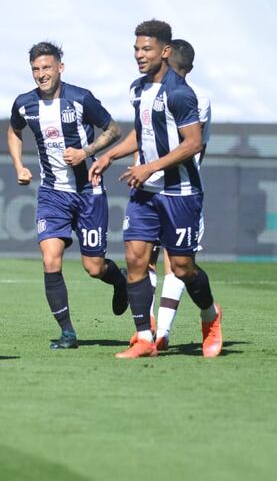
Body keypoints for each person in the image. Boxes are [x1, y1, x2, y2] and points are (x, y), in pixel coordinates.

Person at [90, 20, 223, 359]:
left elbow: (192, 143)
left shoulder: (180, 93)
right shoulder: (138, 89)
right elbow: (143, 131)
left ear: (164, 51)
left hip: (179, 193)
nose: (139, 55)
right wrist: (109, 155)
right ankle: (145, 338)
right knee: (135, 259)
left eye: (146, 49)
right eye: (136, 49)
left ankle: (210, 315)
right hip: (145, 191)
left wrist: (150, 166)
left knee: (182, 268)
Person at [7, 41, 125, 350]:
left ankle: (120, 280)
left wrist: (86, 151)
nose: (41, 74)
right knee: (50, 260)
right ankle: (68, 332)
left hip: (88, 193)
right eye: (36, 69)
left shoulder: (80, 98)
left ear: (60, 67)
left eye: (46, 67)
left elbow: (114, 129)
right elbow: (14, 131)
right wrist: (19, 165)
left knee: (94, 268)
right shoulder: (24, 103)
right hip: (52, 194)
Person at [146, 38, 211, 350]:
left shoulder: (187, 96)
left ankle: (158, 331)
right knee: (154, 258)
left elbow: (192, 144)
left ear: (164, 55)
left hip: (174, 188)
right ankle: (155, 330)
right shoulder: (149, 90)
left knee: (168, 262)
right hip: (156, 187)